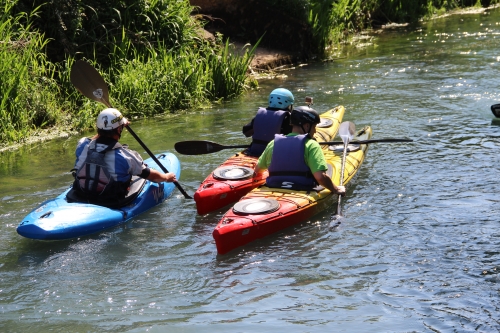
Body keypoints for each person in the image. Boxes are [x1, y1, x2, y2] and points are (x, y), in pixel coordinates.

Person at [72, 108, 177, 202]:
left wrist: (117, 124)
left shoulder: (82, 145)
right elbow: (149, 175)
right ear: (119, 130)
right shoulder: (126, 156)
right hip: (109, 199)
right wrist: (166, 177)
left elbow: (94, 138)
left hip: (82, 193)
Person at [254, 106, 346, 196]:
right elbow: (320, 177)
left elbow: (258, 170)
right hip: (303, 189)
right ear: (306, 126)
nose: (314, 131)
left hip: (273, 187)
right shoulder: (311, 145)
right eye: (314, 127)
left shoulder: (273, 143)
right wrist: (336, 189)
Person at [242, 88, 295, 157]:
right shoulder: (287, 118)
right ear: (288, 105)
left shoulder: (262, 114)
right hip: (276, 154)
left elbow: (246, 131)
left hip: (255, 152)